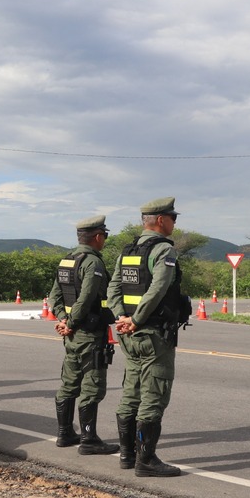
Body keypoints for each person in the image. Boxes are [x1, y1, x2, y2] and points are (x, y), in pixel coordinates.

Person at [107, 197, 192, 478]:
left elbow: (113, 288)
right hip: (153, 333)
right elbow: (158, 288)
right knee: (154, 393)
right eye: (172, 217)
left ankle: (127, 455)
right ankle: (146, 460)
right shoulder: (164, 249)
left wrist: (122, 317)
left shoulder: (128, 250)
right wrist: (137, 319)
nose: (174, 222)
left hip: (129, 335)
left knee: (131, 391)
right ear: (159, 220)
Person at [48, 215, 119, 455]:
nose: (105, 240)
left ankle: (65, 433)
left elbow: (54, 298)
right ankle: (89, 439)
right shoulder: (93, 263)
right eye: (105, 236)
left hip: (71, 336)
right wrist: (71, 322)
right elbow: (87, 298)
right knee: (92, 386)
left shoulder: (67, 260)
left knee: (69, 382)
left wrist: (63, 320)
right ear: (98, 237)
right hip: (88, 333)